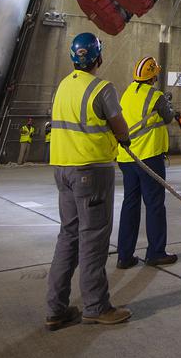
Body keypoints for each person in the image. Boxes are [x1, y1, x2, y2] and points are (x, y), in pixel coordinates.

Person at [45, 32, 133, 331]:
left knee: (68, 237)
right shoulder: (101, 88)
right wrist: (123, 138)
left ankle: (56, 310)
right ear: (99, 58)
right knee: (93, 239)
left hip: (63, 169)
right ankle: (96, 307)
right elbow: (119, 125)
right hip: (91, 171)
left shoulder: (63, 86)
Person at [115, 56, 178, 270]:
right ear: (153, 76)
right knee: (154, 205)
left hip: (127, 158)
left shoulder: (127, 93)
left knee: (130, 205)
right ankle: (156, 253)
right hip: (149, 157)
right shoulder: (155, 95)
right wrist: (167, 103)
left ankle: (124, 256)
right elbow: (168, 117)